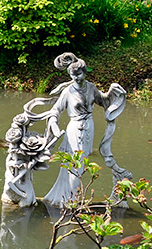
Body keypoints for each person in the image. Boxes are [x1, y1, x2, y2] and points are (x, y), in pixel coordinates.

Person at [42, 53, 130, 207]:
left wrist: (114, 92)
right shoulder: (68, 91)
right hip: (75, 128)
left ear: (84, 72)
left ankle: (73, 198)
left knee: (82, 162)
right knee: (77, 163)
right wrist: (54, 122)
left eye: (79, 74)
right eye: (72, 75)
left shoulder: (90, 87)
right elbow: (55, 110)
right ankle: (71, 200)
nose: (76, 78)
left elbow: (103, 101)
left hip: (89, 126)